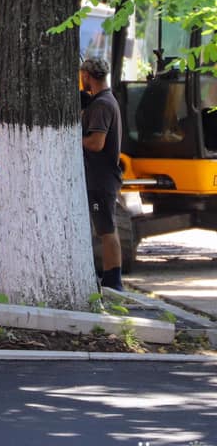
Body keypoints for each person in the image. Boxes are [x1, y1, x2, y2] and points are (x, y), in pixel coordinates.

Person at [80, 57, 124, 292]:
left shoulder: (101, 105)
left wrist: (73, 138)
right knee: (106, 227)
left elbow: (96, 143)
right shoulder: (103, 101)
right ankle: (110, 277)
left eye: (82, 75)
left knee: (106, 229)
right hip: (100, 177)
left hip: (100, 177)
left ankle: (113, 281)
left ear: (87, 75)